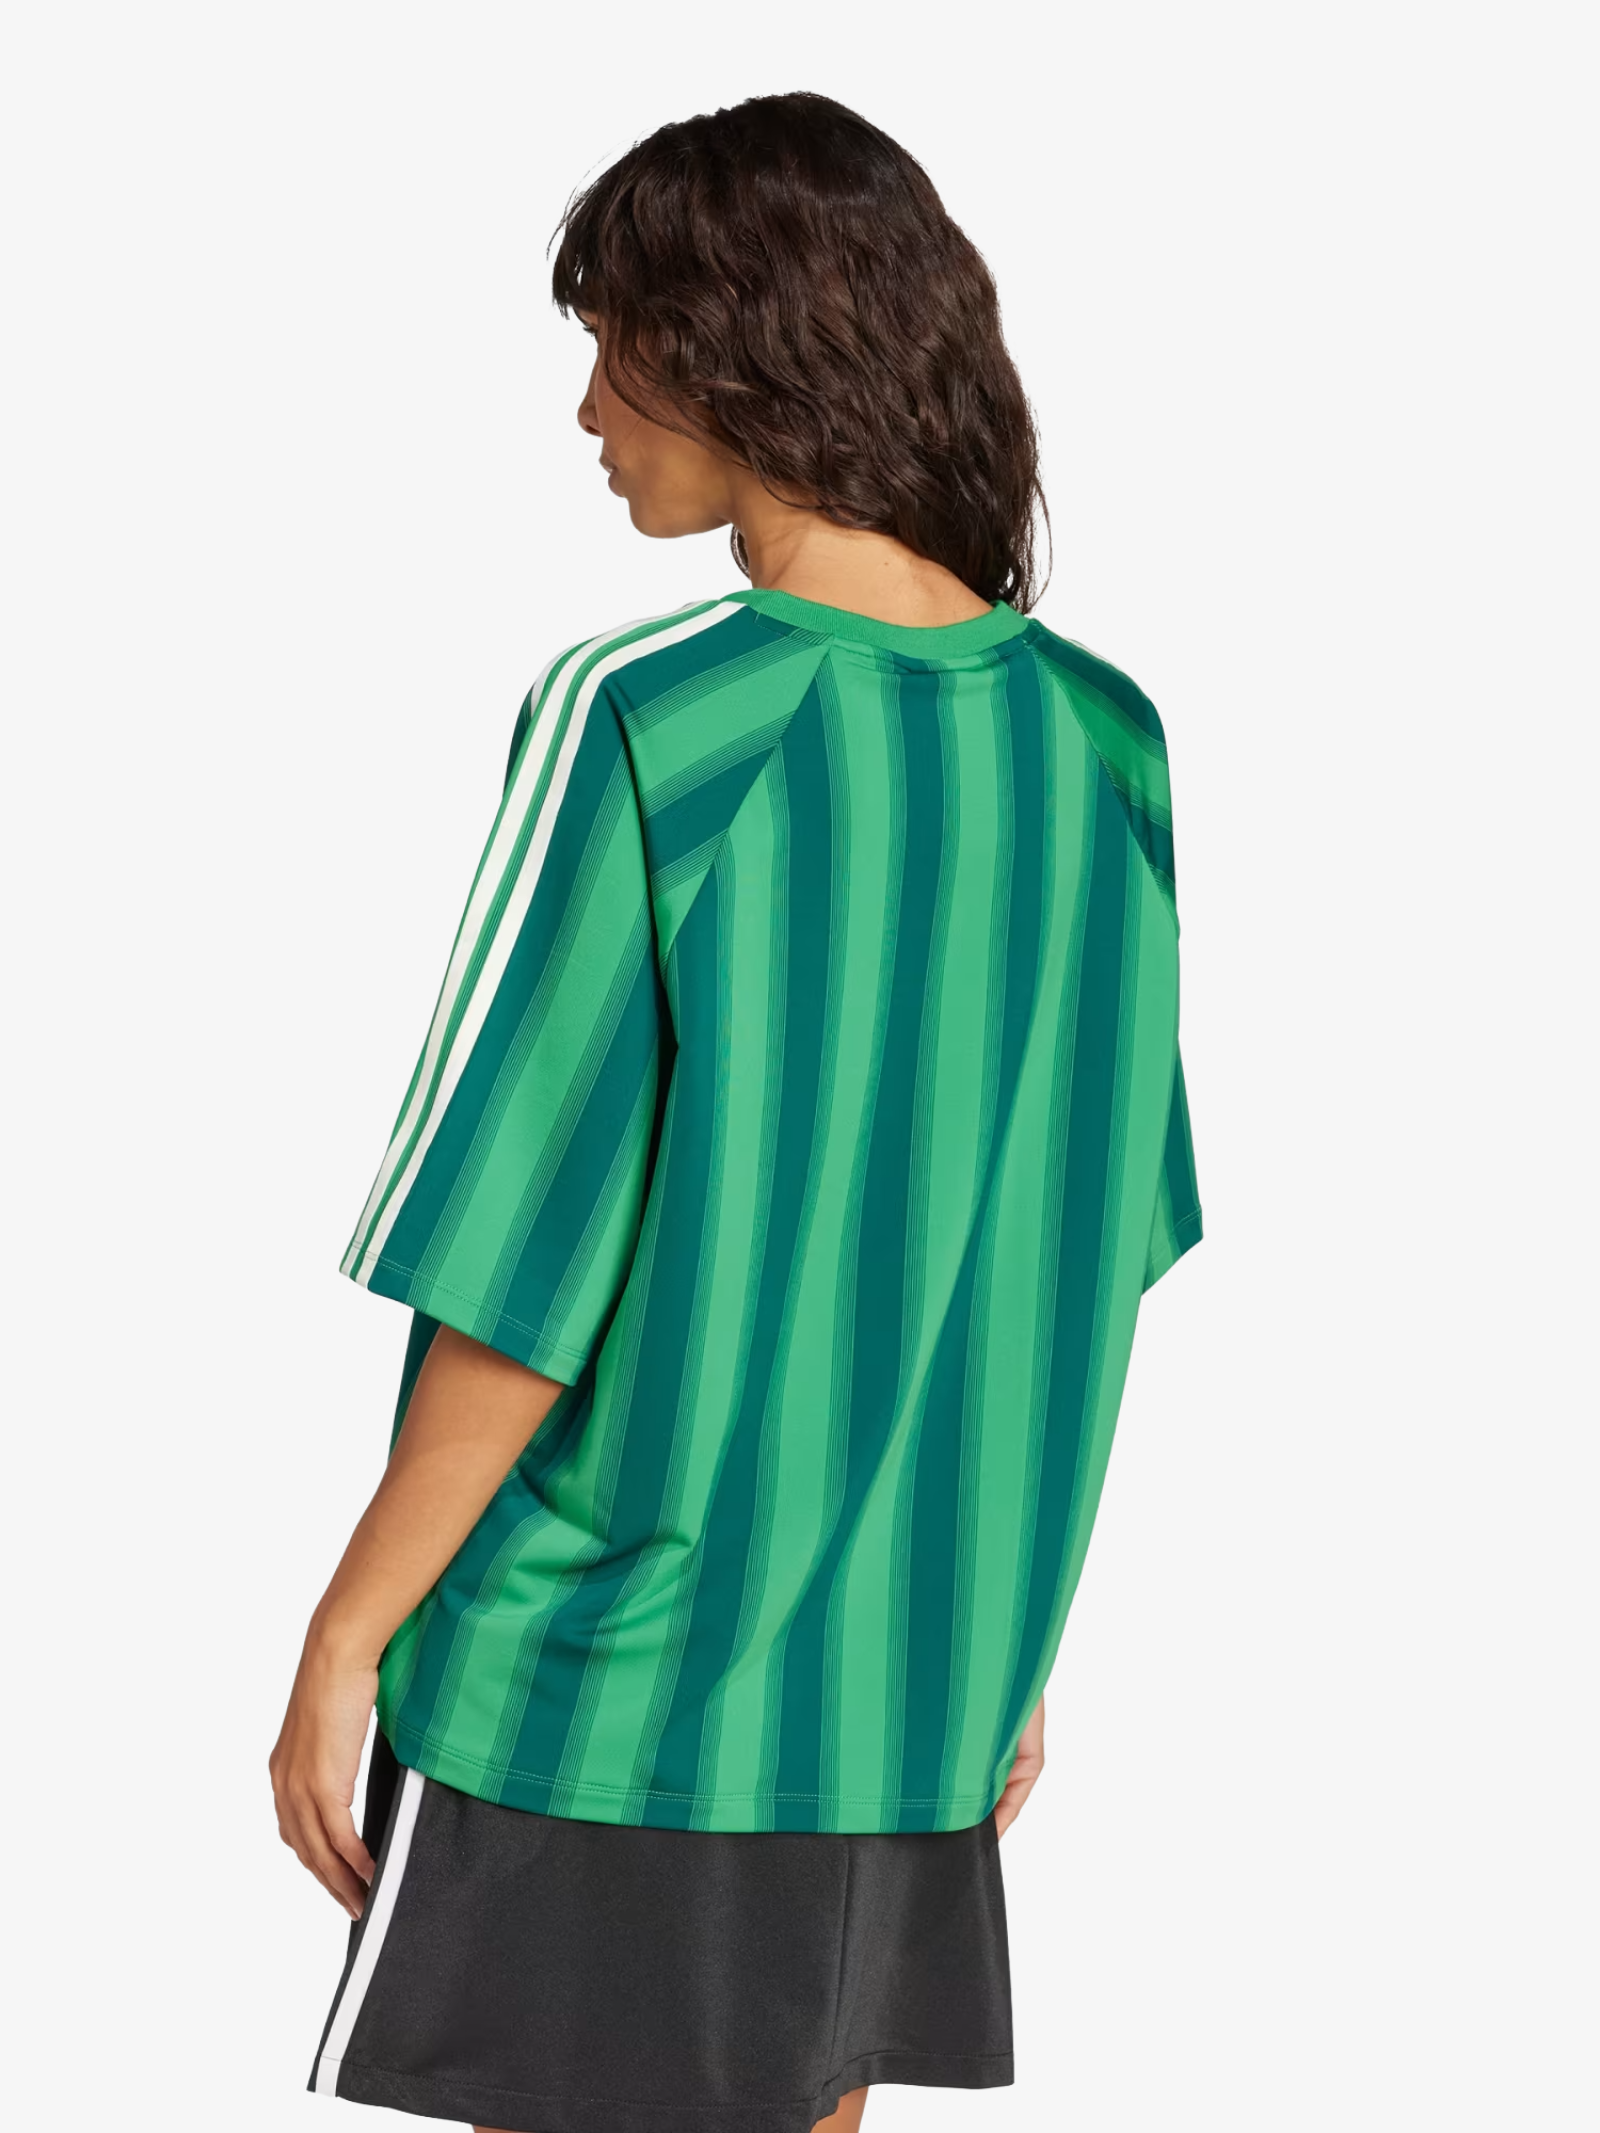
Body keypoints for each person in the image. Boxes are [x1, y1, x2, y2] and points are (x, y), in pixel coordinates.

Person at [272, 90, 1202, 2133]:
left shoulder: (658, 717)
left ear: (728, 350)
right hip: (908, 1677)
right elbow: (1067, 1263)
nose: (588, 413)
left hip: (603, 1686)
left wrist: (347, 1632)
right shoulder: (1100, 745)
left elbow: (523, 1253)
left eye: (612, 349)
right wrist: (1000, 1628)